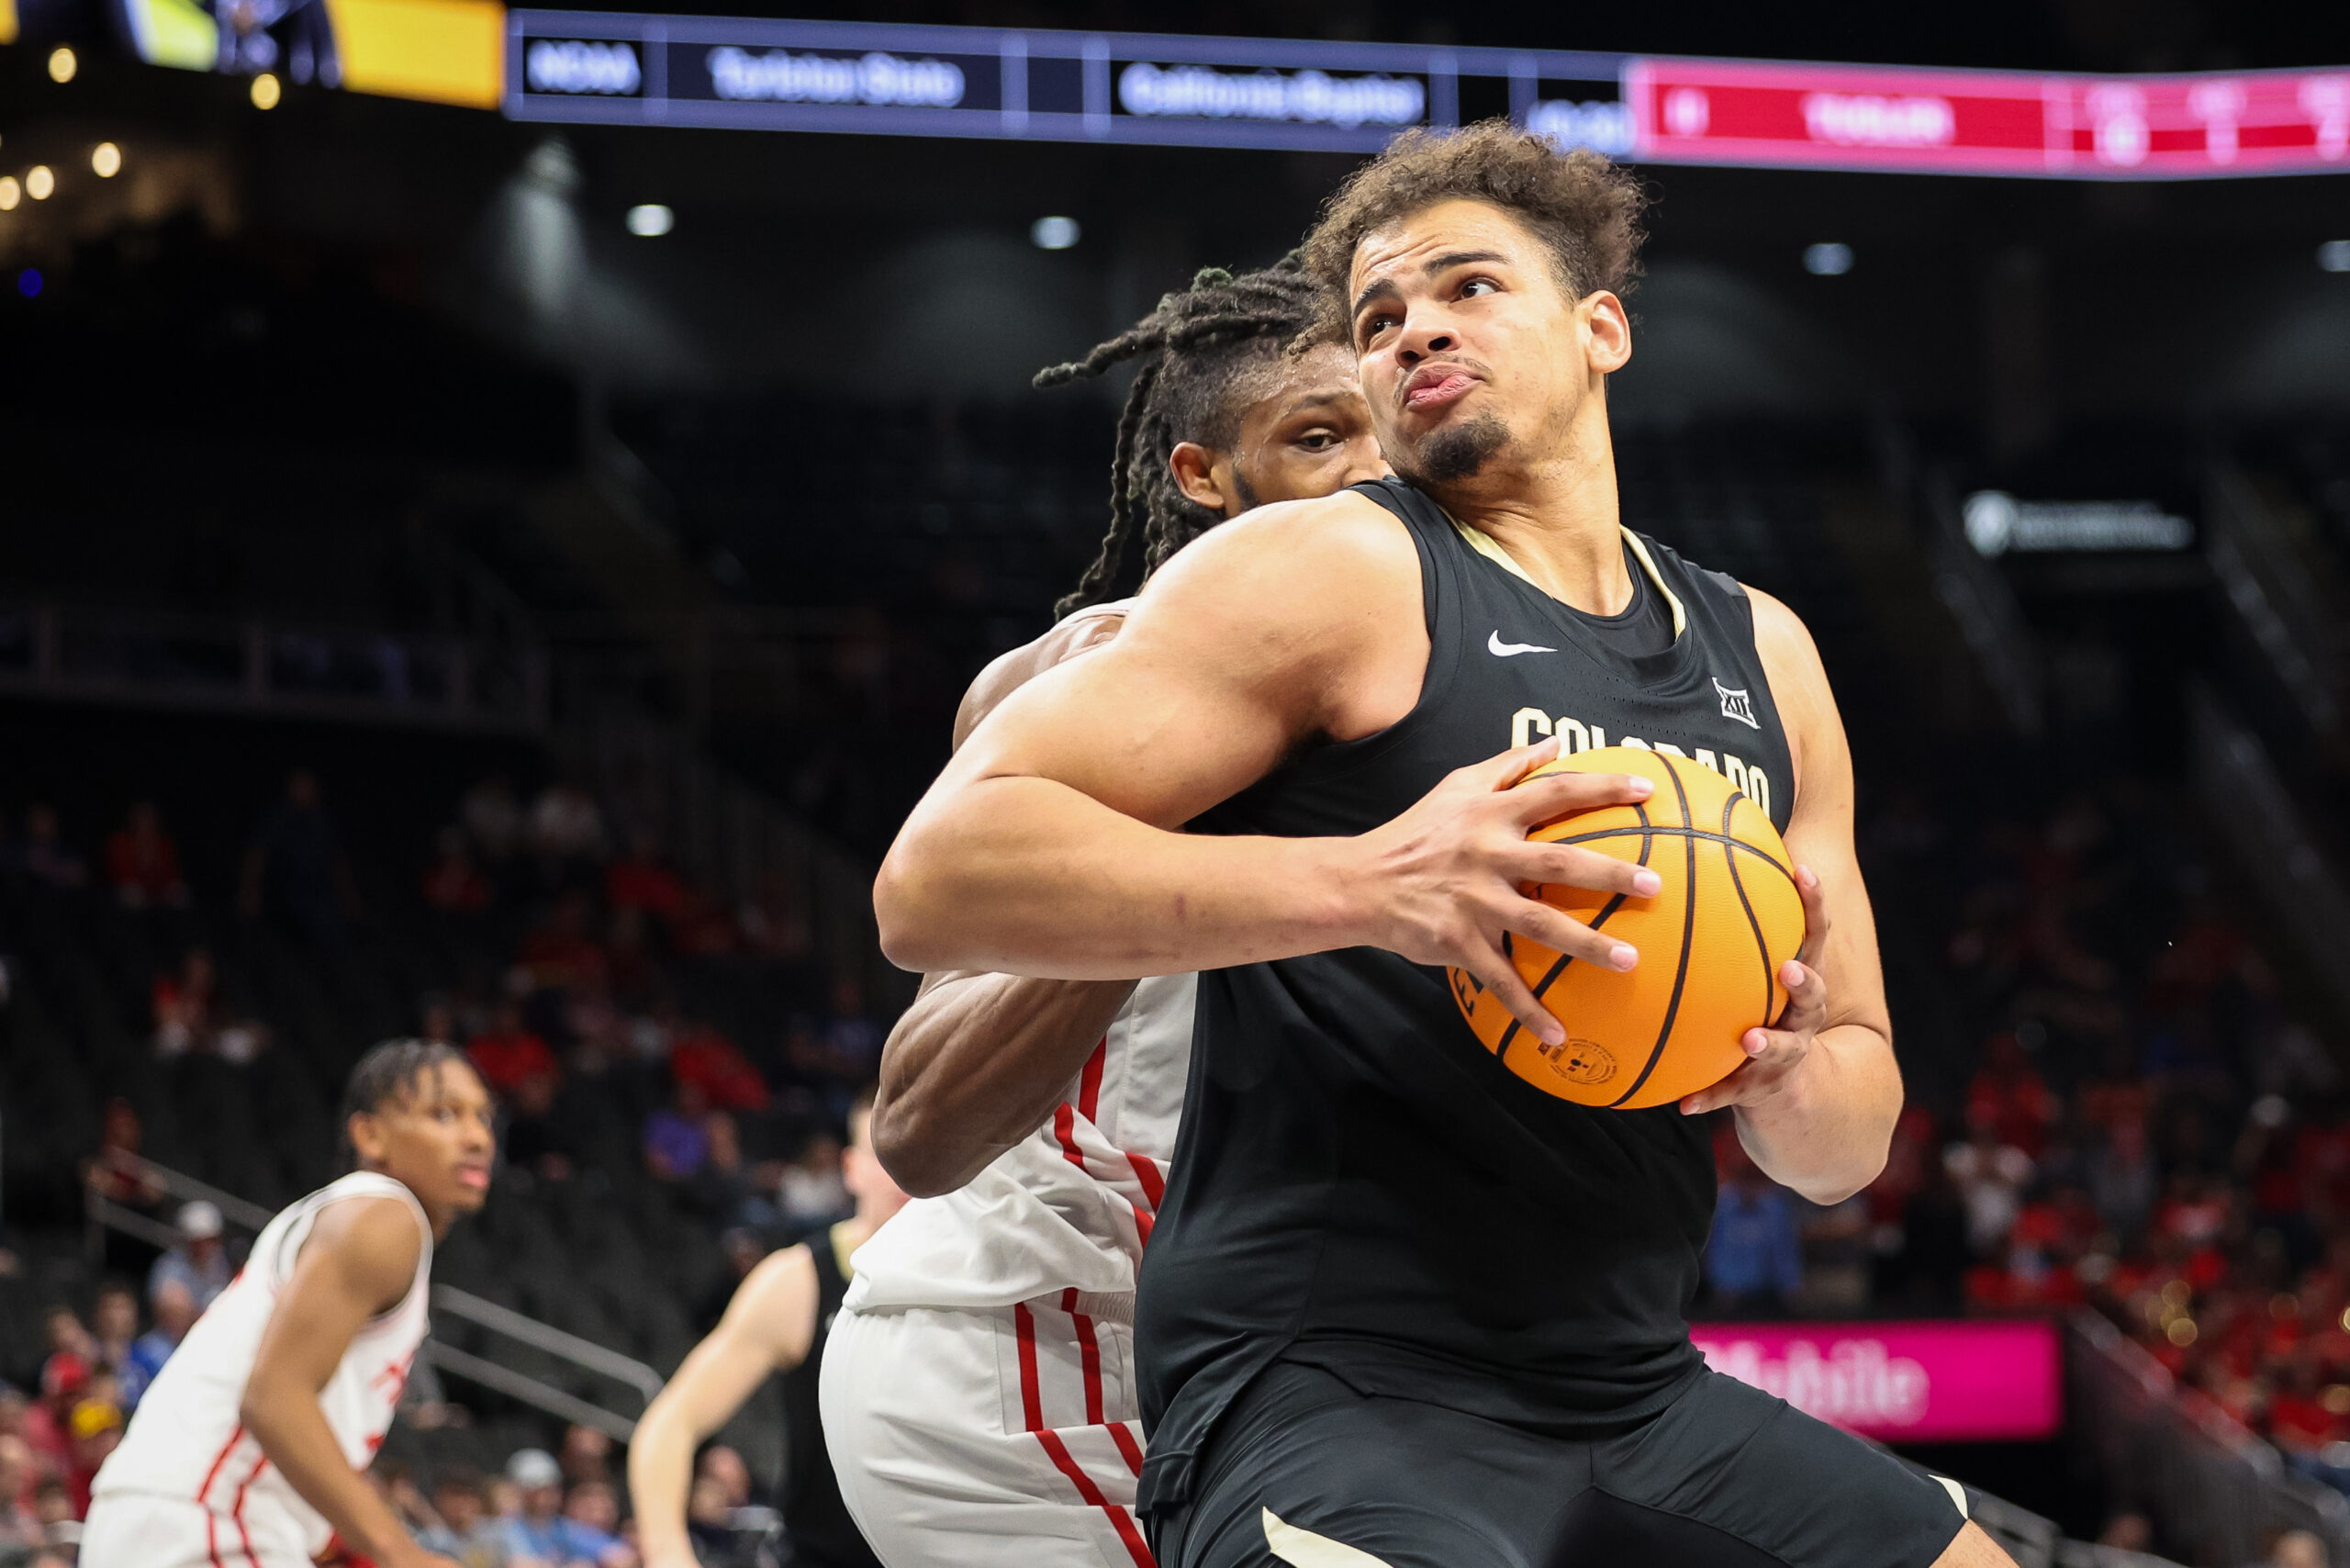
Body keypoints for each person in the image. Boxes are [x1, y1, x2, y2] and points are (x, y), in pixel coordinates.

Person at [874, 127, 2012, 1568]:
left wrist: (1781, 1076)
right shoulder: (1330, 568)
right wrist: (1377, 882)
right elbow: (935, 878)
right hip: (1329, 1391)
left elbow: (1850, 1140)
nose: (1416, 329)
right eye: (1377, 320)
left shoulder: (1765, 651)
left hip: (1635, 1388)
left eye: (1468, 288)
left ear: (1602, 327)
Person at [822, 256, 1384, 1568]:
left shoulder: (1451, 676)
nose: (1373, 472)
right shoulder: (1093, 684)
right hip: (1037, 1360)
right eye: (1317, 434)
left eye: (1386, 430)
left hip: (1267, 1368)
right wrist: (1159, 861)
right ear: (1200, 477)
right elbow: (919, 1125)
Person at [83, 1039, 495, 1568]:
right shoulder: (386, 1216)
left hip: (164, 1517)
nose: (477, 1137)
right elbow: (272, 1399)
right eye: (444, 1114)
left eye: (483, 1116)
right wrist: (401, 1552)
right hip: (208, 1520)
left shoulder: (345, 1215)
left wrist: (336, 1543)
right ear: (370, 1133)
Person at [630, 1091, 908, 1568]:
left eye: (919, 1152)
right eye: (886, 1153)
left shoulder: (984, 1280)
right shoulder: (798, 1282)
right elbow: (671, 1422)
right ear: (851, 1168)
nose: (905, 1173)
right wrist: (667, 1553)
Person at [148, 1201, 233, 1312]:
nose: (204, 1247)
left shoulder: (225, 1262)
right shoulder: (168, 1267)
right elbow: (168, 1308)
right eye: (197, 1242)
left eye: (209, 1240)